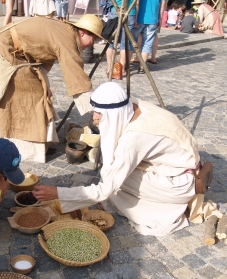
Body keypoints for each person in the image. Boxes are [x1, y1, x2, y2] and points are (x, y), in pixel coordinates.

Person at [33, 82, 222, 236]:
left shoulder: (134, 139)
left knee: (114, 183)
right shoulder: (133, 106)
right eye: (95, 111)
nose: (95, 118)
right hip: (180, 169)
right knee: (113, 171)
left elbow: (106, 189)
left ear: (113, 113)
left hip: (178, 185)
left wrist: (57, 193)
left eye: (99, 113)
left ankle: (163, 210)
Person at [0, 14, 103, 163]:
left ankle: (39, 143)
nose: (92, 45)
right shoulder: (66, 38)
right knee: (31, 97)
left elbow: (41, 55)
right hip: (1, 50)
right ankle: (22, 149)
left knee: (39, 91)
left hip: (9, 49)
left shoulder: (65, 31)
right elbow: (76, 75)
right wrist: (96, 110)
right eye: (92, 40)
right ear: (83, 32)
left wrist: (44, 83)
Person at [104, 0, 142, 78]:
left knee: (111, 42)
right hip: (130, 13)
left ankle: (109, 68)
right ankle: (121, 70)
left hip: (116, 11)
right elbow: (137, 2)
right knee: (124, 44)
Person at [133, 0, 169, 73]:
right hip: (153, 17)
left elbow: (136, 0)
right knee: (148, 42)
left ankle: (125, 65)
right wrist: (160, 17)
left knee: (131, 41)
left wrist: (135, 16)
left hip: (139, 16)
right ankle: (142, 67)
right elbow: (163, 3)